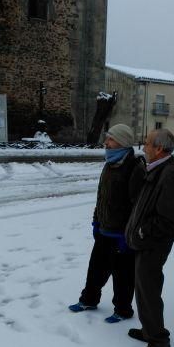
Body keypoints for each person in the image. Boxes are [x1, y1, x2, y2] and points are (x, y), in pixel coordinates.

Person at [69, 124, 145, 323]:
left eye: (110, 139)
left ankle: (123, 310)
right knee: (95, 269)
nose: (106, 142)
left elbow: (137, 206)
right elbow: (101, 196)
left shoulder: (134, 166)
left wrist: (127, 235)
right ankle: (89, 300)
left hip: (122, 234)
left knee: (123, 276)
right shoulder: (110, 163)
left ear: (122, 141)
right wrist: (96, 221)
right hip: (104, 229)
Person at [125, 128, 174, 347]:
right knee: (142, 287)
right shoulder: (157, 168)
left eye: (148, 144)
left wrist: (142, 231)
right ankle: (149, 329)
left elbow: (168, 221)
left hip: (154, 243)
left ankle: (159, 343)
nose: (144, 148)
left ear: (159, 149)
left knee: (148, 289)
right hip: (146, 242)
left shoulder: (170, 174)